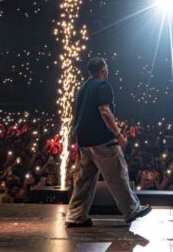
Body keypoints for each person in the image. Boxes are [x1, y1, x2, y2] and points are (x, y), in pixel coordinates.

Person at [64, 57, 150, 228]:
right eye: (107, 67)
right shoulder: (103, 86)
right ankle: (132, 209)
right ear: (103, 69)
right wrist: (119, 135)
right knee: (117, 173)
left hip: (84, 141)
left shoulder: (82, 88)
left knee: (85, 180)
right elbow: (104, 111)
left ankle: (75, 216)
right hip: (101, 140)